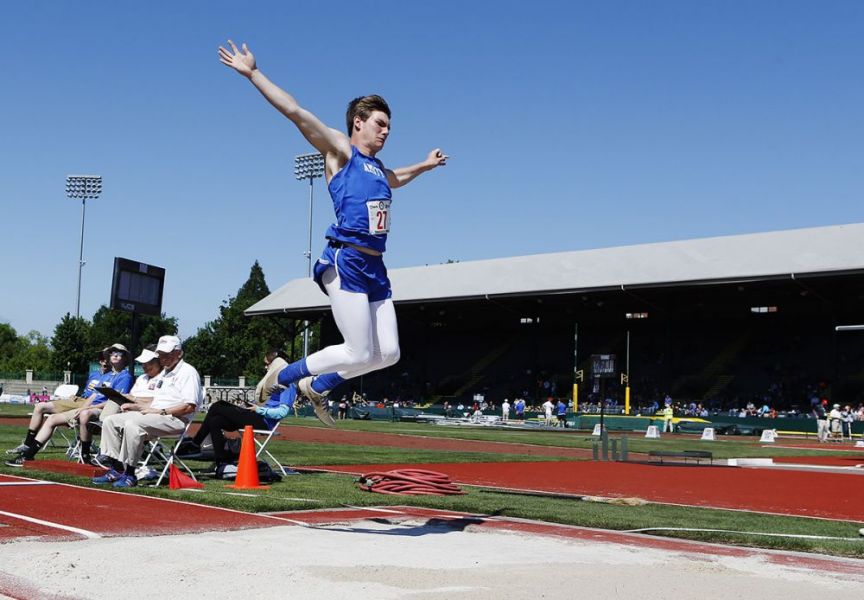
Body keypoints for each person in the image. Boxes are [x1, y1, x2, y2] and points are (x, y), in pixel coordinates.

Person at [219, 40, 447, 427]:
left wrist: (425, 165)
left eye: (390, 126)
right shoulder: (341, 151)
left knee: (387, 353)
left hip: (376, 269)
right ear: (358, 121)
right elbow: (296, 113)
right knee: (358, 351)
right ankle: (284, 376)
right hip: (347, 260)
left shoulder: (378, 169)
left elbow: (398, 178)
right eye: (380, 124)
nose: (386, 131)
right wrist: (254, 74)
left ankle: (319, 386)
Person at [92, 336, 202, 488]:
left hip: (175, 419)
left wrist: (160, 411)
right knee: (111, 421)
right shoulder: (164, 374)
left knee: (132, 424)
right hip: (155, 415)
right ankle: (116, 467)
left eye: (168, 354)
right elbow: (155, 400)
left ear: (179, 353)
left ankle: (130, 474)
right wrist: (137, 405)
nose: (164, 358)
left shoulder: (188, 372)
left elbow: (189, 406)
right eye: (161, 354)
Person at [5, 345, 133, 467]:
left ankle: (85, 455)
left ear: (125, 358)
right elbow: (93, 396)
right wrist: (83, 407)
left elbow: (116, 401)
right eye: (112, 353)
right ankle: (28, 455)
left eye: (119, 353)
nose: (115, 355)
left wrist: (85, 409)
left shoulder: (125, 376)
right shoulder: (107, 376)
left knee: (84, 414)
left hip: (104, 411)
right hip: (89, 408)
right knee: (51, 419)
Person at [178, 349, 297, 470]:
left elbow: (282, 412)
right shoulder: (274, 383)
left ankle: (195, 444)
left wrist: (259, 410)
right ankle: (222, 462)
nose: (266, 367)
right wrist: (249, 406)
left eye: (267, 364)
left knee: (217, 406)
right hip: (256, 416)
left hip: (263, 422)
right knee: (215, 421)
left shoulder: (288, 384)